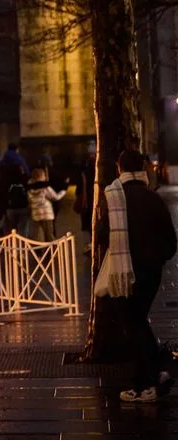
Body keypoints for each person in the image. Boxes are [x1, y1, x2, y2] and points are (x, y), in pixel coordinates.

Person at [95, 150, 177, 403]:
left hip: (123, 273)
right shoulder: (153, 198)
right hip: (151, 272)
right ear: (142, 167)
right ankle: (157, 373)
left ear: (120, 168)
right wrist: (156, 258)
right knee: (139, 322)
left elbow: (100, 234)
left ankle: (147, 383)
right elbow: (171, 242)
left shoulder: (114, 198)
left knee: (134, 326)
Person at [0, 146, 30, 237]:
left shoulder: (3, 163)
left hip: (10, 206)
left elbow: (0, 192)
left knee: (11, 228)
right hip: (23, 205)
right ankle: (23, 246)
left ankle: (12, 246)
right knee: (23, 228)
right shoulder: (19, 161)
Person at [26, 166, 66, 242]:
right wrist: (63, 191)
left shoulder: (29, 187)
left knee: (38, 236)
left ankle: (40, 252)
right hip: (46, 215)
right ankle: (51, 252)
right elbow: (55, 197)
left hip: (36, 214)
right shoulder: (44, 187)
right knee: (49, 235)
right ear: (41, 176)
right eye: (44, 175)